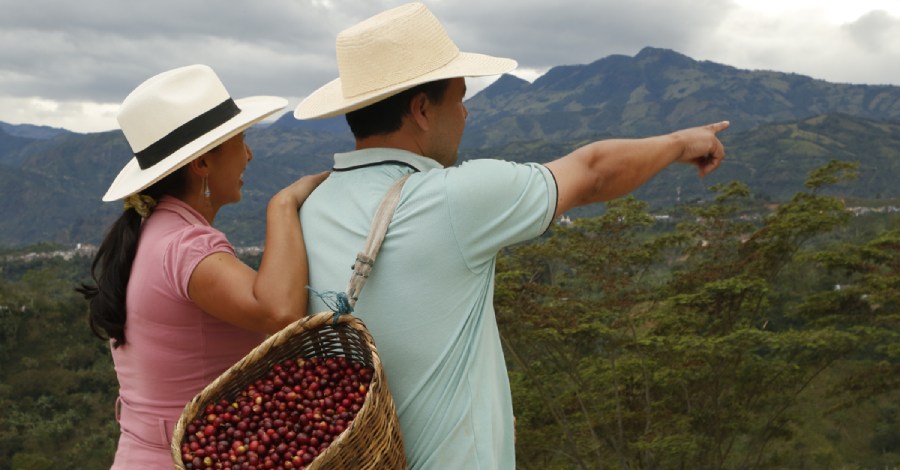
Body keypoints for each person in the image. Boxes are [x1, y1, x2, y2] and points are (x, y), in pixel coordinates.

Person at [294, 3, 728, 468]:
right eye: (459, 98)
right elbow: (594, 172)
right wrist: (684, 142)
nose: (465, 114)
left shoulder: (310, 207)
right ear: (421, 109)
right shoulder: (449, 199)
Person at [77, 64, 327, 469]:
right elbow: (278, 310)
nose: (248, 154)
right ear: (202, 165)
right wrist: (283, 205)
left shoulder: (152, 231)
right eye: (240, 140)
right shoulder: (187, 245)